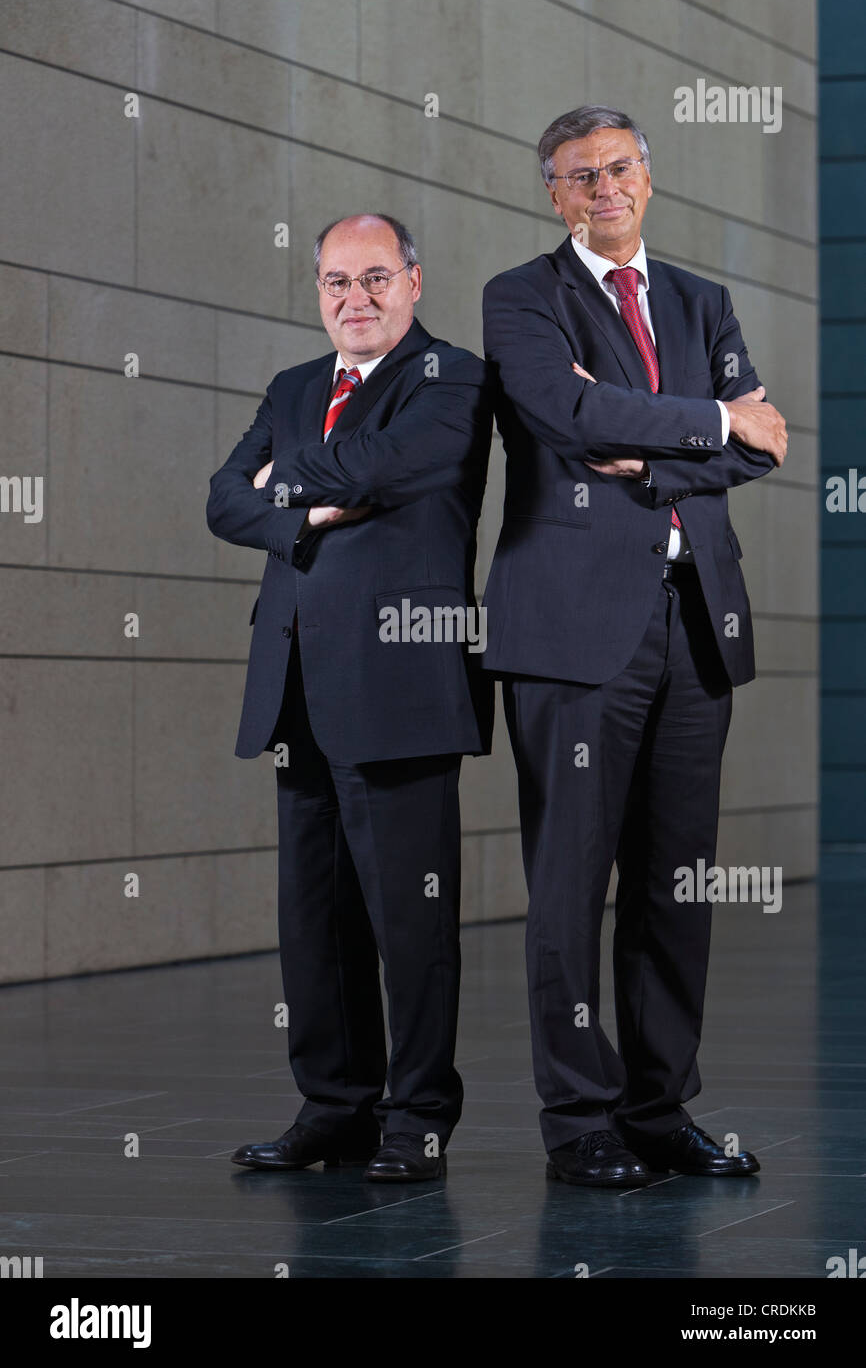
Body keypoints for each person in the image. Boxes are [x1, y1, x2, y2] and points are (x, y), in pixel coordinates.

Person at [481, 106, 788, 1187]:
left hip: (692, 618)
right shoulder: (522, 298)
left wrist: (657, 458)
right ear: (552, 193)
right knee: (569, 886)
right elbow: (570, 414)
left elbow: (766, 447)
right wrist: (710, 423)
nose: (601, 187)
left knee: (675, 883)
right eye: (577, 176)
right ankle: (579, 1122)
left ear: (646, 179)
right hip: (570, 632)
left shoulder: (701, 302)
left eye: (617, 168)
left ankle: (659, 1112)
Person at [207, 213, 493, 1182]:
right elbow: (218, 497)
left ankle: (415, 1114)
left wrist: (279, 486)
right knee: (315, 917)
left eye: (375, 278)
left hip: (401, 681)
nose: (354, 299)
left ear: (414, 281)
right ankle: (334, 1105)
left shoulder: (450, 378)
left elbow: (386, 466)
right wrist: (310, 511)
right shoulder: (293, 387)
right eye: (335, 281)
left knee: (409, 918)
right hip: (293, 684)